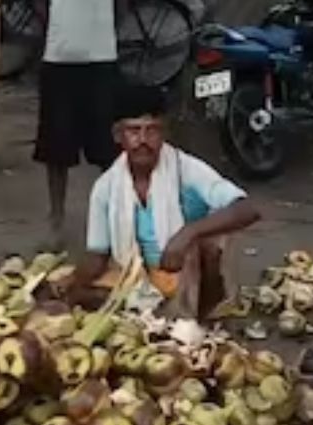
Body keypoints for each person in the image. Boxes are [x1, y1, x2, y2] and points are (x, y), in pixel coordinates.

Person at [27, 0, 139, 249]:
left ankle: (111, 217)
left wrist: (110, 28)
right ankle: (56, 218)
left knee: (107, 148)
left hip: (102, 60)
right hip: (59, 60)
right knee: (56, 149)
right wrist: (54, 32)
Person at [73, 86, 261, 319]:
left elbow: (247, 209)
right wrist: (71, 283)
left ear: (164, 133)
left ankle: (191, 315)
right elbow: (98, 254)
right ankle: (149, 308)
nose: (143, 141)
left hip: (187, 275)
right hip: (138, 277)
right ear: (117, 135)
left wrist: (188, 233)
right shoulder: (106, 186)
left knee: (205, 244)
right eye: (134, 131)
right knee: (82, 293)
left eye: (152, 131)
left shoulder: (186, 170)